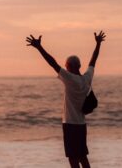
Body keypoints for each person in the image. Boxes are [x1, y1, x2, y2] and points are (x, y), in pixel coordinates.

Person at [25, 31, 106, 168]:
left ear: (69, 67)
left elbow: (53, 63)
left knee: (73, 159)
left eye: (66, 66)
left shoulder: (69, 79)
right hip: (81, 124)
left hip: (70, 124)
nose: (65, 68)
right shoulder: (87, 78)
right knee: (82, 156)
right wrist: (98, 44)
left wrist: (39, 47)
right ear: (79, 66)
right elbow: (93, 60)